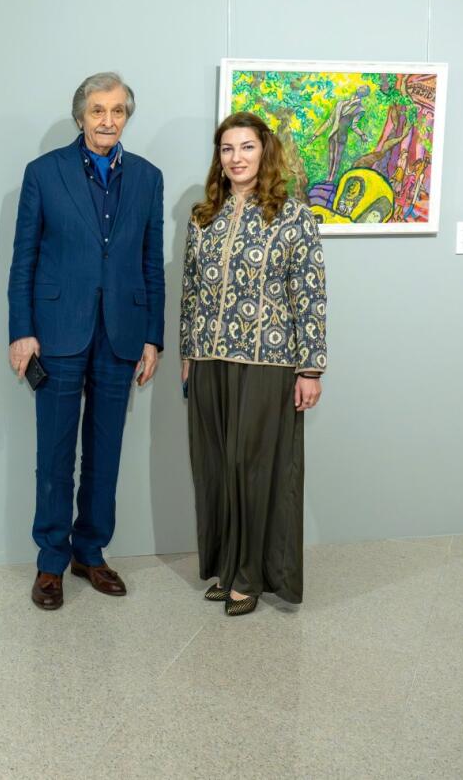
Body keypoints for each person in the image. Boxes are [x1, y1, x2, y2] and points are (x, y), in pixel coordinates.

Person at [7, 72, 165, 610]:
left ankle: (90, 552)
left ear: (127, 117)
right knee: (54, 454)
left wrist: (152, 338)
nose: (108, 120)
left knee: (105, 452)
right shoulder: (43, 173)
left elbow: (151, 263)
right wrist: (22, 331)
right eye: (98, 110)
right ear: (81, 116)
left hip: (122, 334)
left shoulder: (147, 177)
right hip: (57, 333)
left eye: (118, 111)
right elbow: (23, 260)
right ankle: (51, 562)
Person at [180, 111, 327, 616]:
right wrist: (188, 351)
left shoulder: (294, 216)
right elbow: (190, 290)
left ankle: (252, 576)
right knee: (216, 467)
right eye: (227, 149)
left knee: (254, 468)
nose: (236, 157)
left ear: (264, 151)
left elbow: (309, 293)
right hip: (209, 359)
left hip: (270, 360)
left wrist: (310, 368)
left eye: (246, 147)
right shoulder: (204, 216)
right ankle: (227, 569)